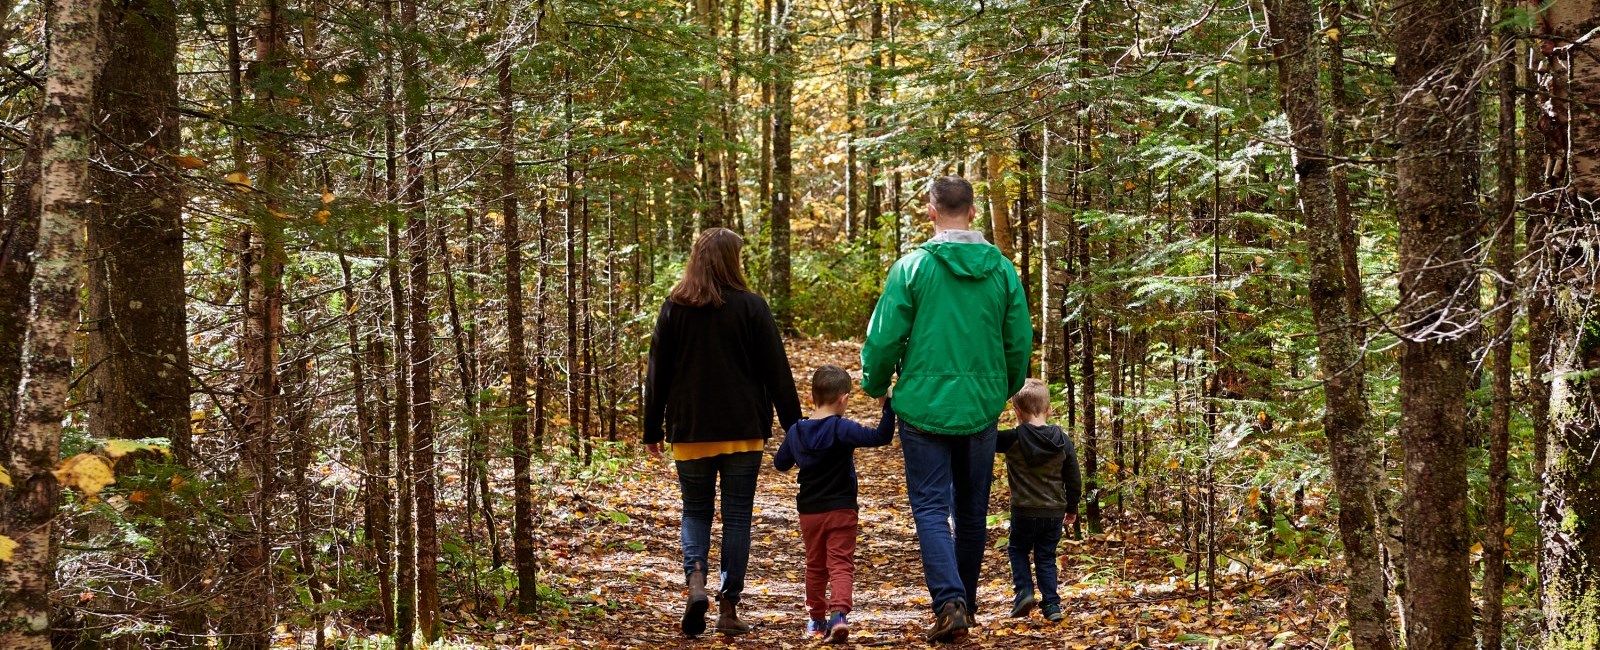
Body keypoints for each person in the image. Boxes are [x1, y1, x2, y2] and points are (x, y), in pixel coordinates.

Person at [860, 175, 1032, 642]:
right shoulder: (1001, 271)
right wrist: (1002, 388)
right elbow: (1018, 343)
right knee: (972, 512)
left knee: (932, 509)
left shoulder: (912, 267)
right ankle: (965, 603)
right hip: (978, 408)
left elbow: (883, 338)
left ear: (931, 212)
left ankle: (950, 603)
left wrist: (876, 383)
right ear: (973, 212)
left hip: (921, 408)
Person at [644, 227, 803, 637]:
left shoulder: (674, 308)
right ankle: (728, 607)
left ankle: (696, 582)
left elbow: (656, 375)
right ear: (732, 261)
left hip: (691, 429)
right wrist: (796, 429)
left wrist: (651, 428)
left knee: (695, 511)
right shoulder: (752, 307)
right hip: (742, 431)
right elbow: (777, 372)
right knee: (736, 517)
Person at [774, 366, 896, 643]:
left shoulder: (797, 431)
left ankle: (816, 620)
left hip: (810, 511)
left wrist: (797, 449)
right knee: (840, 563)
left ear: (811, 396)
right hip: (841, 507)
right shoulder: (841, 428)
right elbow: (881, 436)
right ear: (843, 399)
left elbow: (780, 464)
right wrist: (888, 404)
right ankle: (839, 615)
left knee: (815, 565)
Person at [996, 379, 1082, 623]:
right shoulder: (1062, 440)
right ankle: (1052, 606)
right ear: (1049, 410)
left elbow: (984, 438)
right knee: (1046, 556)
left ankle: (1023, 591)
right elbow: (1074, 477)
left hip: (1023, 510)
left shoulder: (1012, 438)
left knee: (1018, 549)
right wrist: (1072, 507)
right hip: (1054, 512)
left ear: (1017, 412)